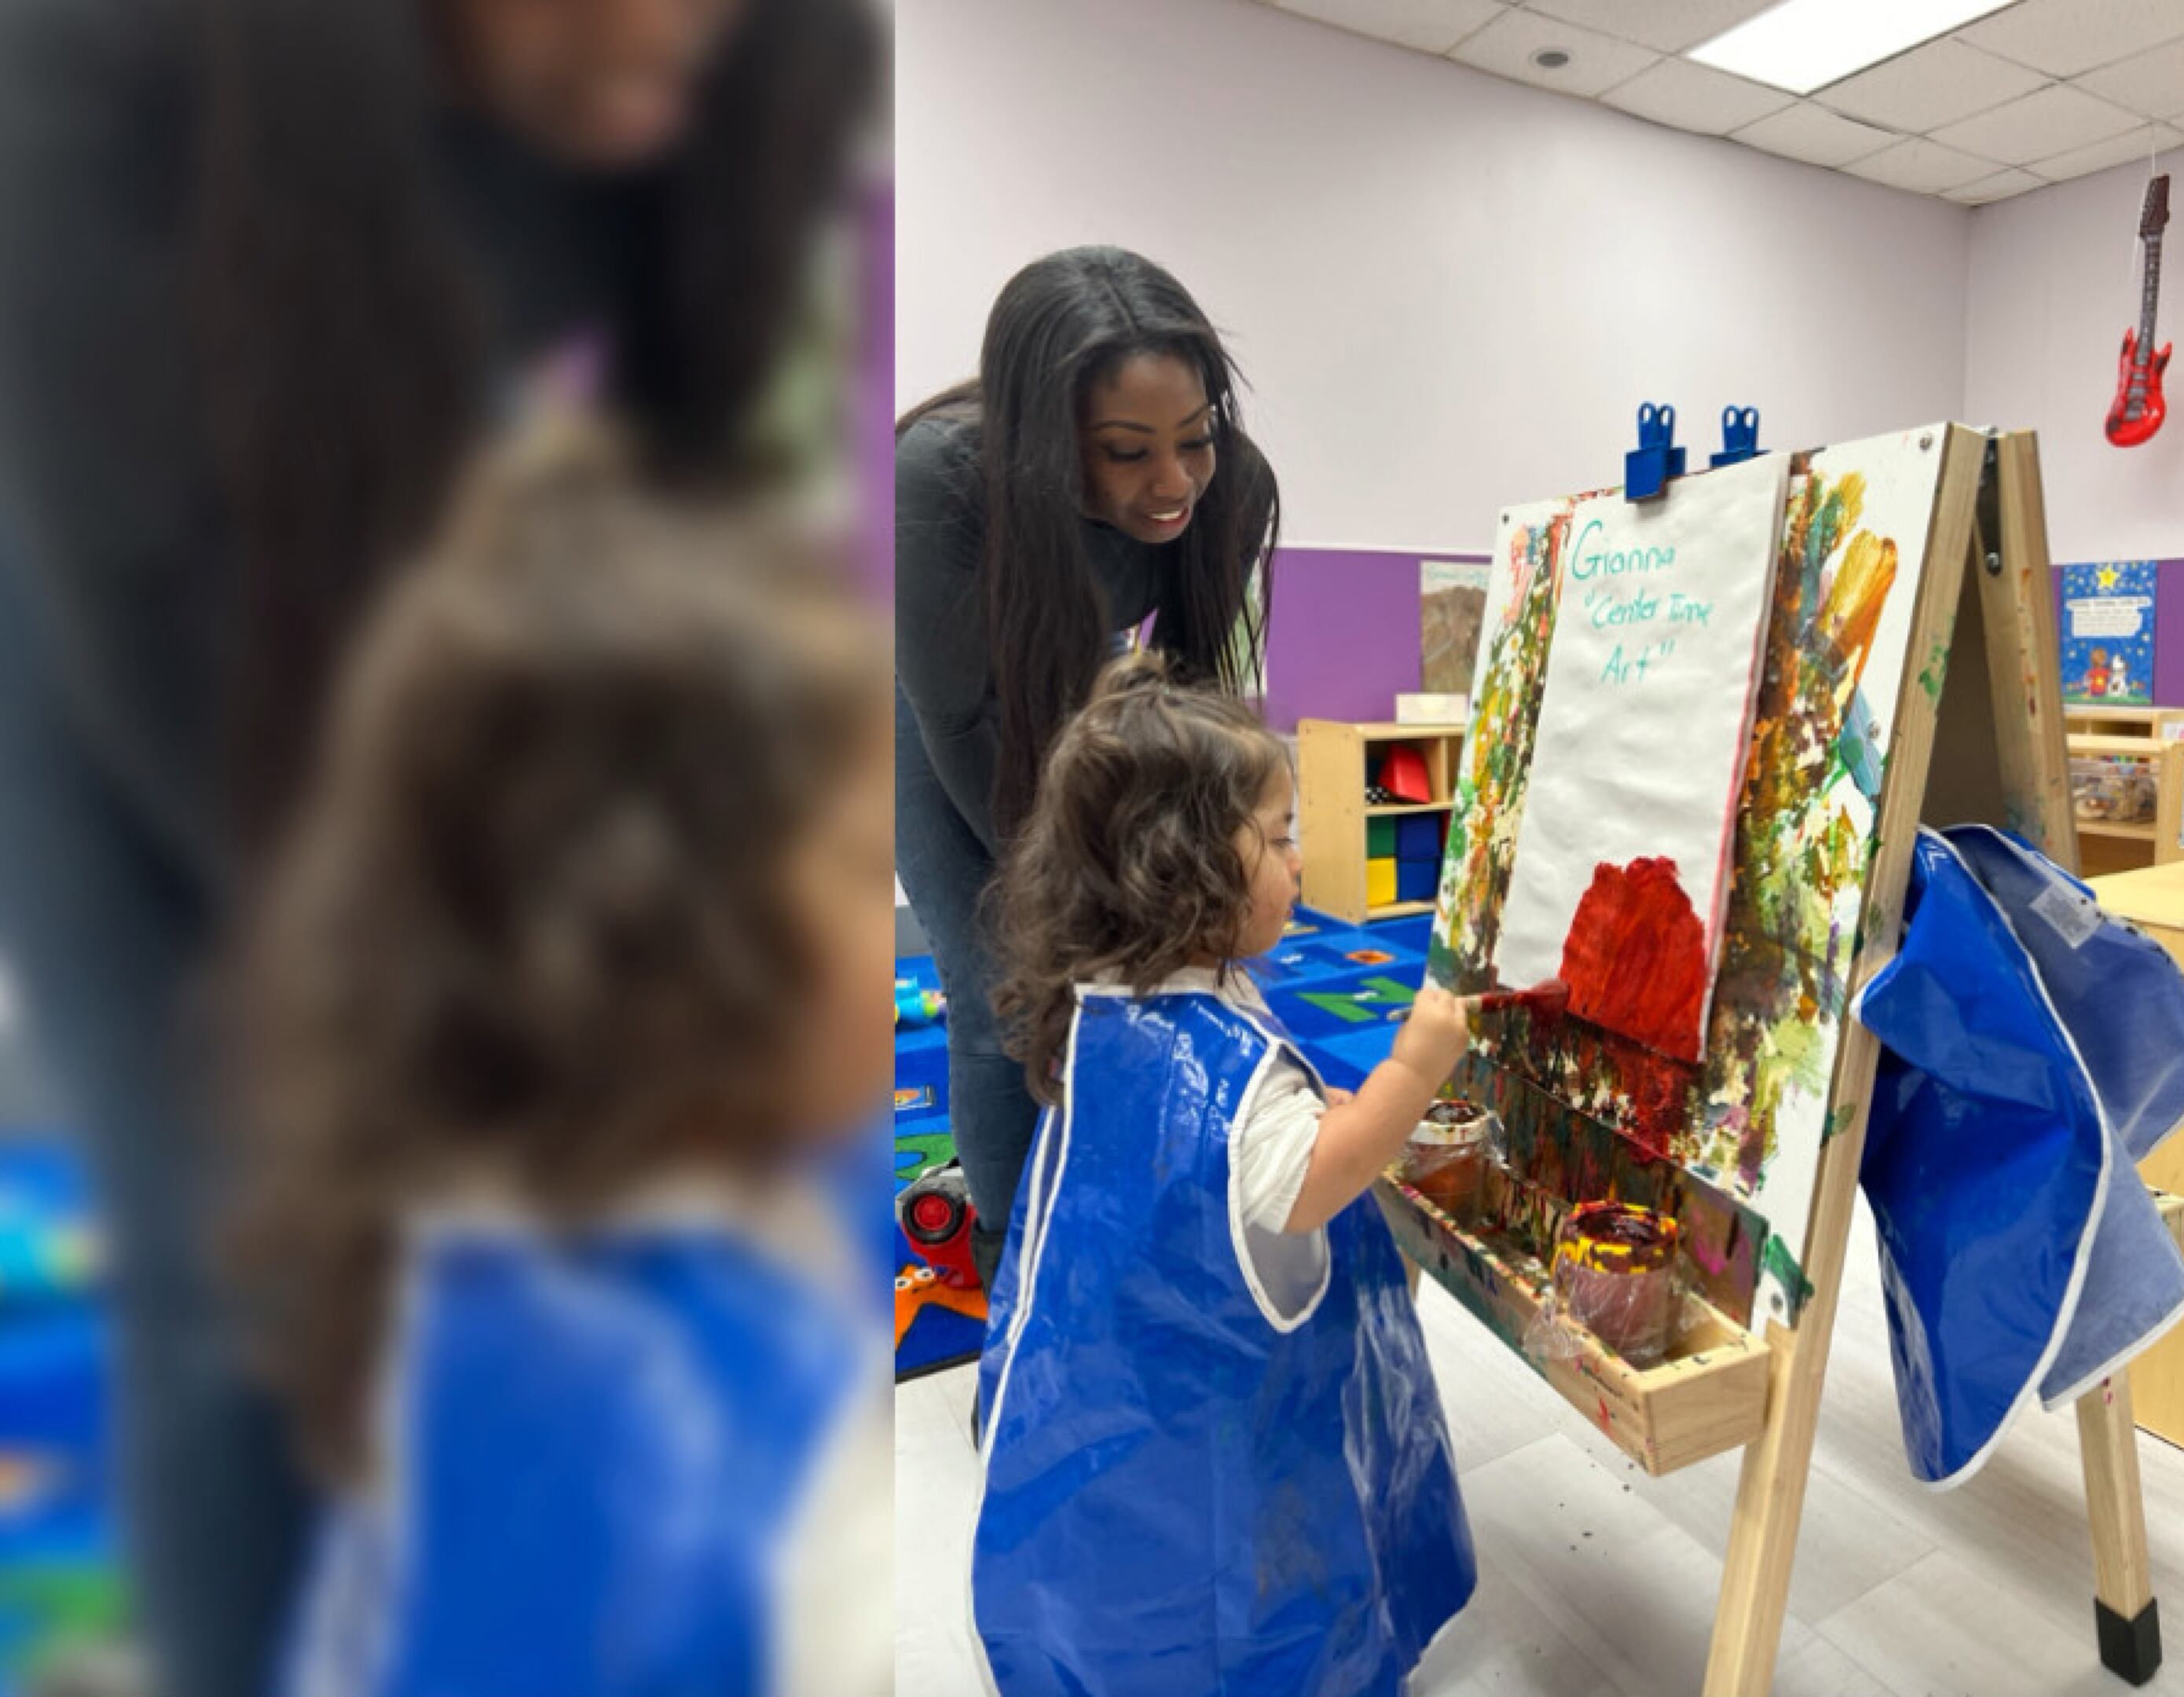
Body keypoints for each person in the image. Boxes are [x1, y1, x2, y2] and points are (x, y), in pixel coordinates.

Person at [0, 2, 874, 1688]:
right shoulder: (88, 67)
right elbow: (149, 598)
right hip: (104, 595)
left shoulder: (752, 55)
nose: (669, 70)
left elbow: (693, 476)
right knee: (233, 1256)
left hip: (412, 452)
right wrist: (440, 1008)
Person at [231, 434, 894, 1695]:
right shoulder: (769, 1478)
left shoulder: (451, 1257)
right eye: (868, 869)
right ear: (676, 940)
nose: (892, 920)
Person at [972, 655, 1476, 1695]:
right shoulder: (1220, 1070)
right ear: (1183, 869)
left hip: (1084, 1389)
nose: (1302, 861)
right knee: (1227, 1612)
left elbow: (1224, 1152)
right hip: (1199, 1430)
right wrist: (1414, 1067)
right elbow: (1313, 1182)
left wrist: (1296, 1121)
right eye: (1283, 838)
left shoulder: (1107, 994)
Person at [896, 245, 1278, 1291]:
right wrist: (1072, 894)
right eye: (1124, 452)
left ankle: (1117, 1194)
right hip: (926, 699)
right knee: (1005, 986)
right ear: (1042, 443)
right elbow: (962, 716)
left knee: (1149, 959)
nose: (1172, 486)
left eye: (1192, 439)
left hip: (1069, 666)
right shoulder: (933, 481)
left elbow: (1190, 712)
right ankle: (1011, 1261)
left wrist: (1189, 881)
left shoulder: (1227, 490)